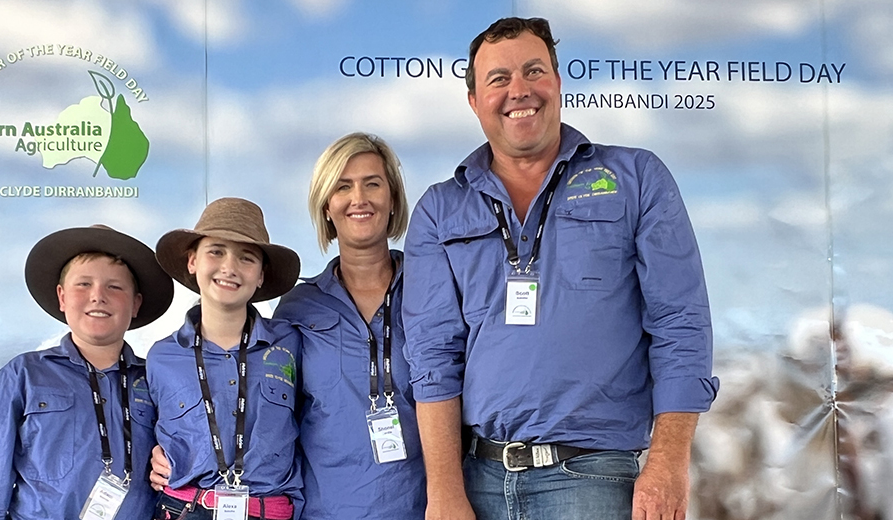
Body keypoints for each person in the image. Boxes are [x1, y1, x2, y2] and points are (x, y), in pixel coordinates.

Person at [402, 17, 720, 520]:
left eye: (534, 71)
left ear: (558, 80)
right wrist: (444, 493)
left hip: (595, 480)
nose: (519, 90)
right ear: (473, 101)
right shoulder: (440, 210)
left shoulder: (636, 179)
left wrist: (669, 462)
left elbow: (681, 326)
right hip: (478, 480)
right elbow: (432, 357)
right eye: (498, 79)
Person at [0, 224, 174, 520]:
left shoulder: (158, 379)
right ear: (62, 297)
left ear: (136, 303)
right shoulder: (23, 375)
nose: (98, 296)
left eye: (114, 286)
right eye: (83, 284)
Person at [272, 132, 426, 518]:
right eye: (343, 186)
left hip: (422, 507)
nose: (359, 198)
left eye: (372, 184)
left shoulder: (434, 288)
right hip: (327, 510)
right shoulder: (297, 308)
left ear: (392, 199)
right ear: (327, 206)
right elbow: (266, 411)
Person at [147, 197, 302, 520]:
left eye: (246, 258)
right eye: (215, 252)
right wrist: (154, 456)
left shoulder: (292, 343)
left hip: (267, 510)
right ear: (192, 261)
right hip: (185, 509)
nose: (229, 268)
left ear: (261, 276)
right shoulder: (161, 357)